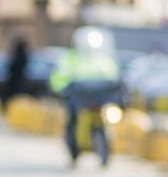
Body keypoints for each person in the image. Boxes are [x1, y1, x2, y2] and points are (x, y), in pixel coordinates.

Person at [50, 26, 121, 161]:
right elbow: (59, 77)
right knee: (73, 119)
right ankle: (72, 143)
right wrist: (61, 89)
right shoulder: (70, 58)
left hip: (99, 100)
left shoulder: (103, 59)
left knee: (110, 117)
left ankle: (106, 143)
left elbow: (114, 77)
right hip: (79, 100)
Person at [6, 35, 30, 101]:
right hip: (19, 78)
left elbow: (15, 65)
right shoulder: (23, 52)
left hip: (17, 79)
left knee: (16, 95)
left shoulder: (19, 53)